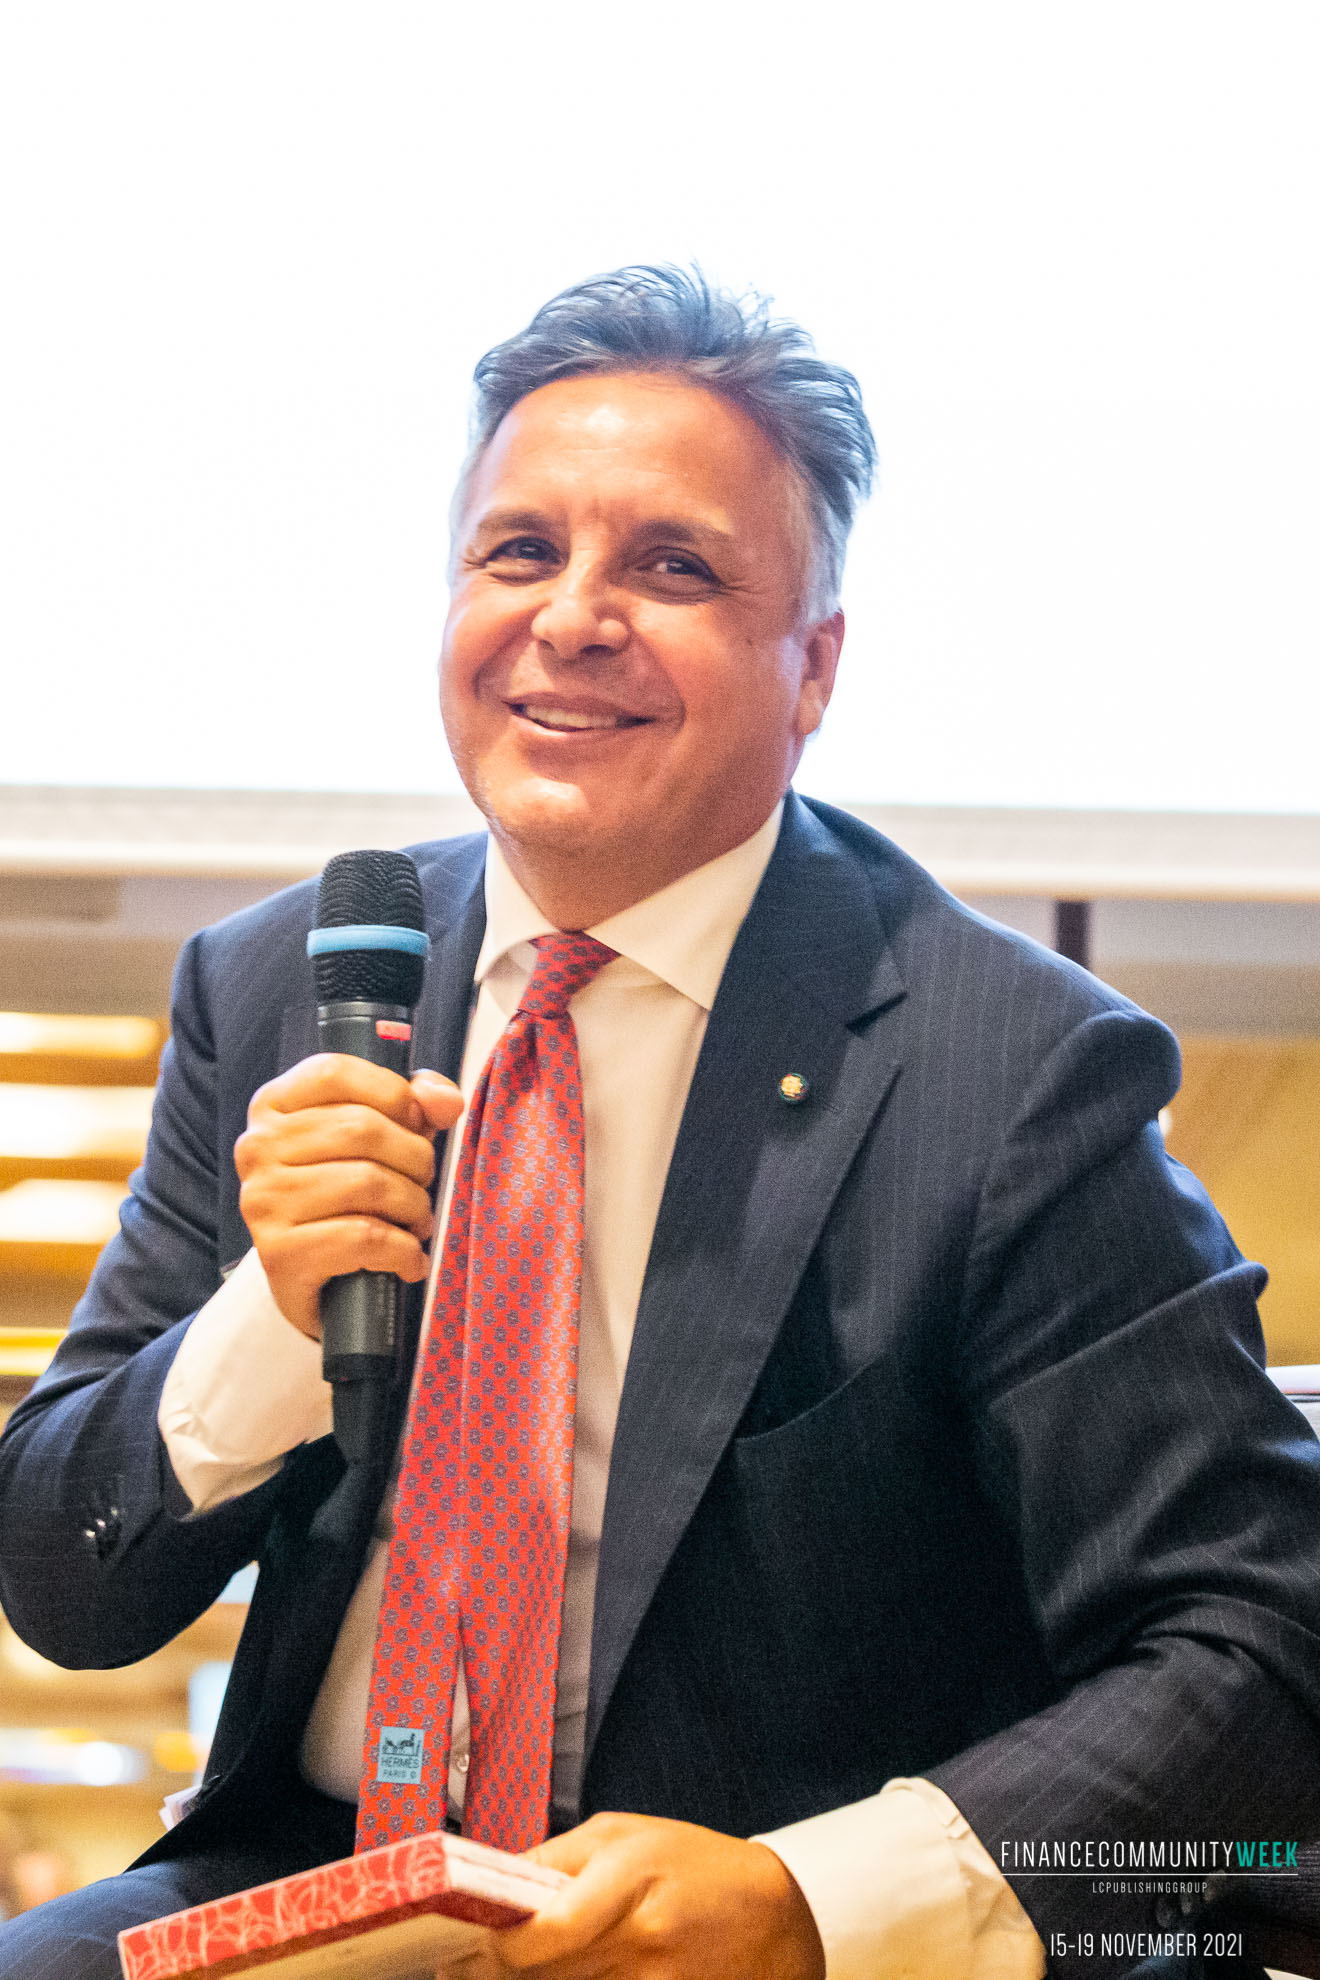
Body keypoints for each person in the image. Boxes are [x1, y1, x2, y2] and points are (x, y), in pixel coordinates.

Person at [1, 265, 1317, 1980]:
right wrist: (270, 1314)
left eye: (674, 568)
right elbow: (64, 1586)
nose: (571, 619)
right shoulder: (283, 985)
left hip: (757, 1915)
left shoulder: (1013, 1071)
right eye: (518, 552)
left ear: (814, 666)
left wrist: (812, 1907)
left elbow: (1258, 1647)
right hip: (324, 1882)